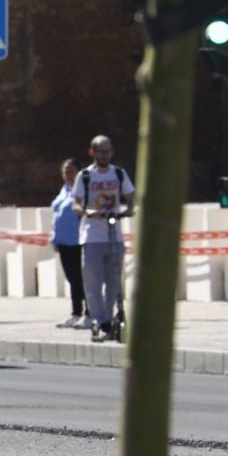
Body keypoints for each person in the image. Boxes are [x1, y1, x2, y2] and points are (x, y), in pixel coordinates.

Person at [75, 135, 134, 342]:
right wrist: (87, 211)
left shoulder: (118, 173)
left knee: (114, 282)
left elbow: (130, 197)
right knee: (93, 283)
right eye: (101, 152)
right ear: (92, 152)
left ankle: (110, 320)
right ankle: (101, 321)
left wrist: (129, 209)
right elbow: (76, 203)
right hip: (92, 236)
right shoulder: (85, 176)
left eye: (108, 151)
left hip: (115, 235)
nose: (105, 156)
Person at [50, 158, 88, 329]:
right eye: (65, 171)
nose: (68, 174)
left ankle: (89, 312)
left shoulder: (82, 189)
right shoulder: (64, 190)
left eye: (71, 170)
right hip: (63, 241)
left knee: (81, 278)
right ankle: (75, 313)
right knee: (72, 278)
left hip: (77, 241)